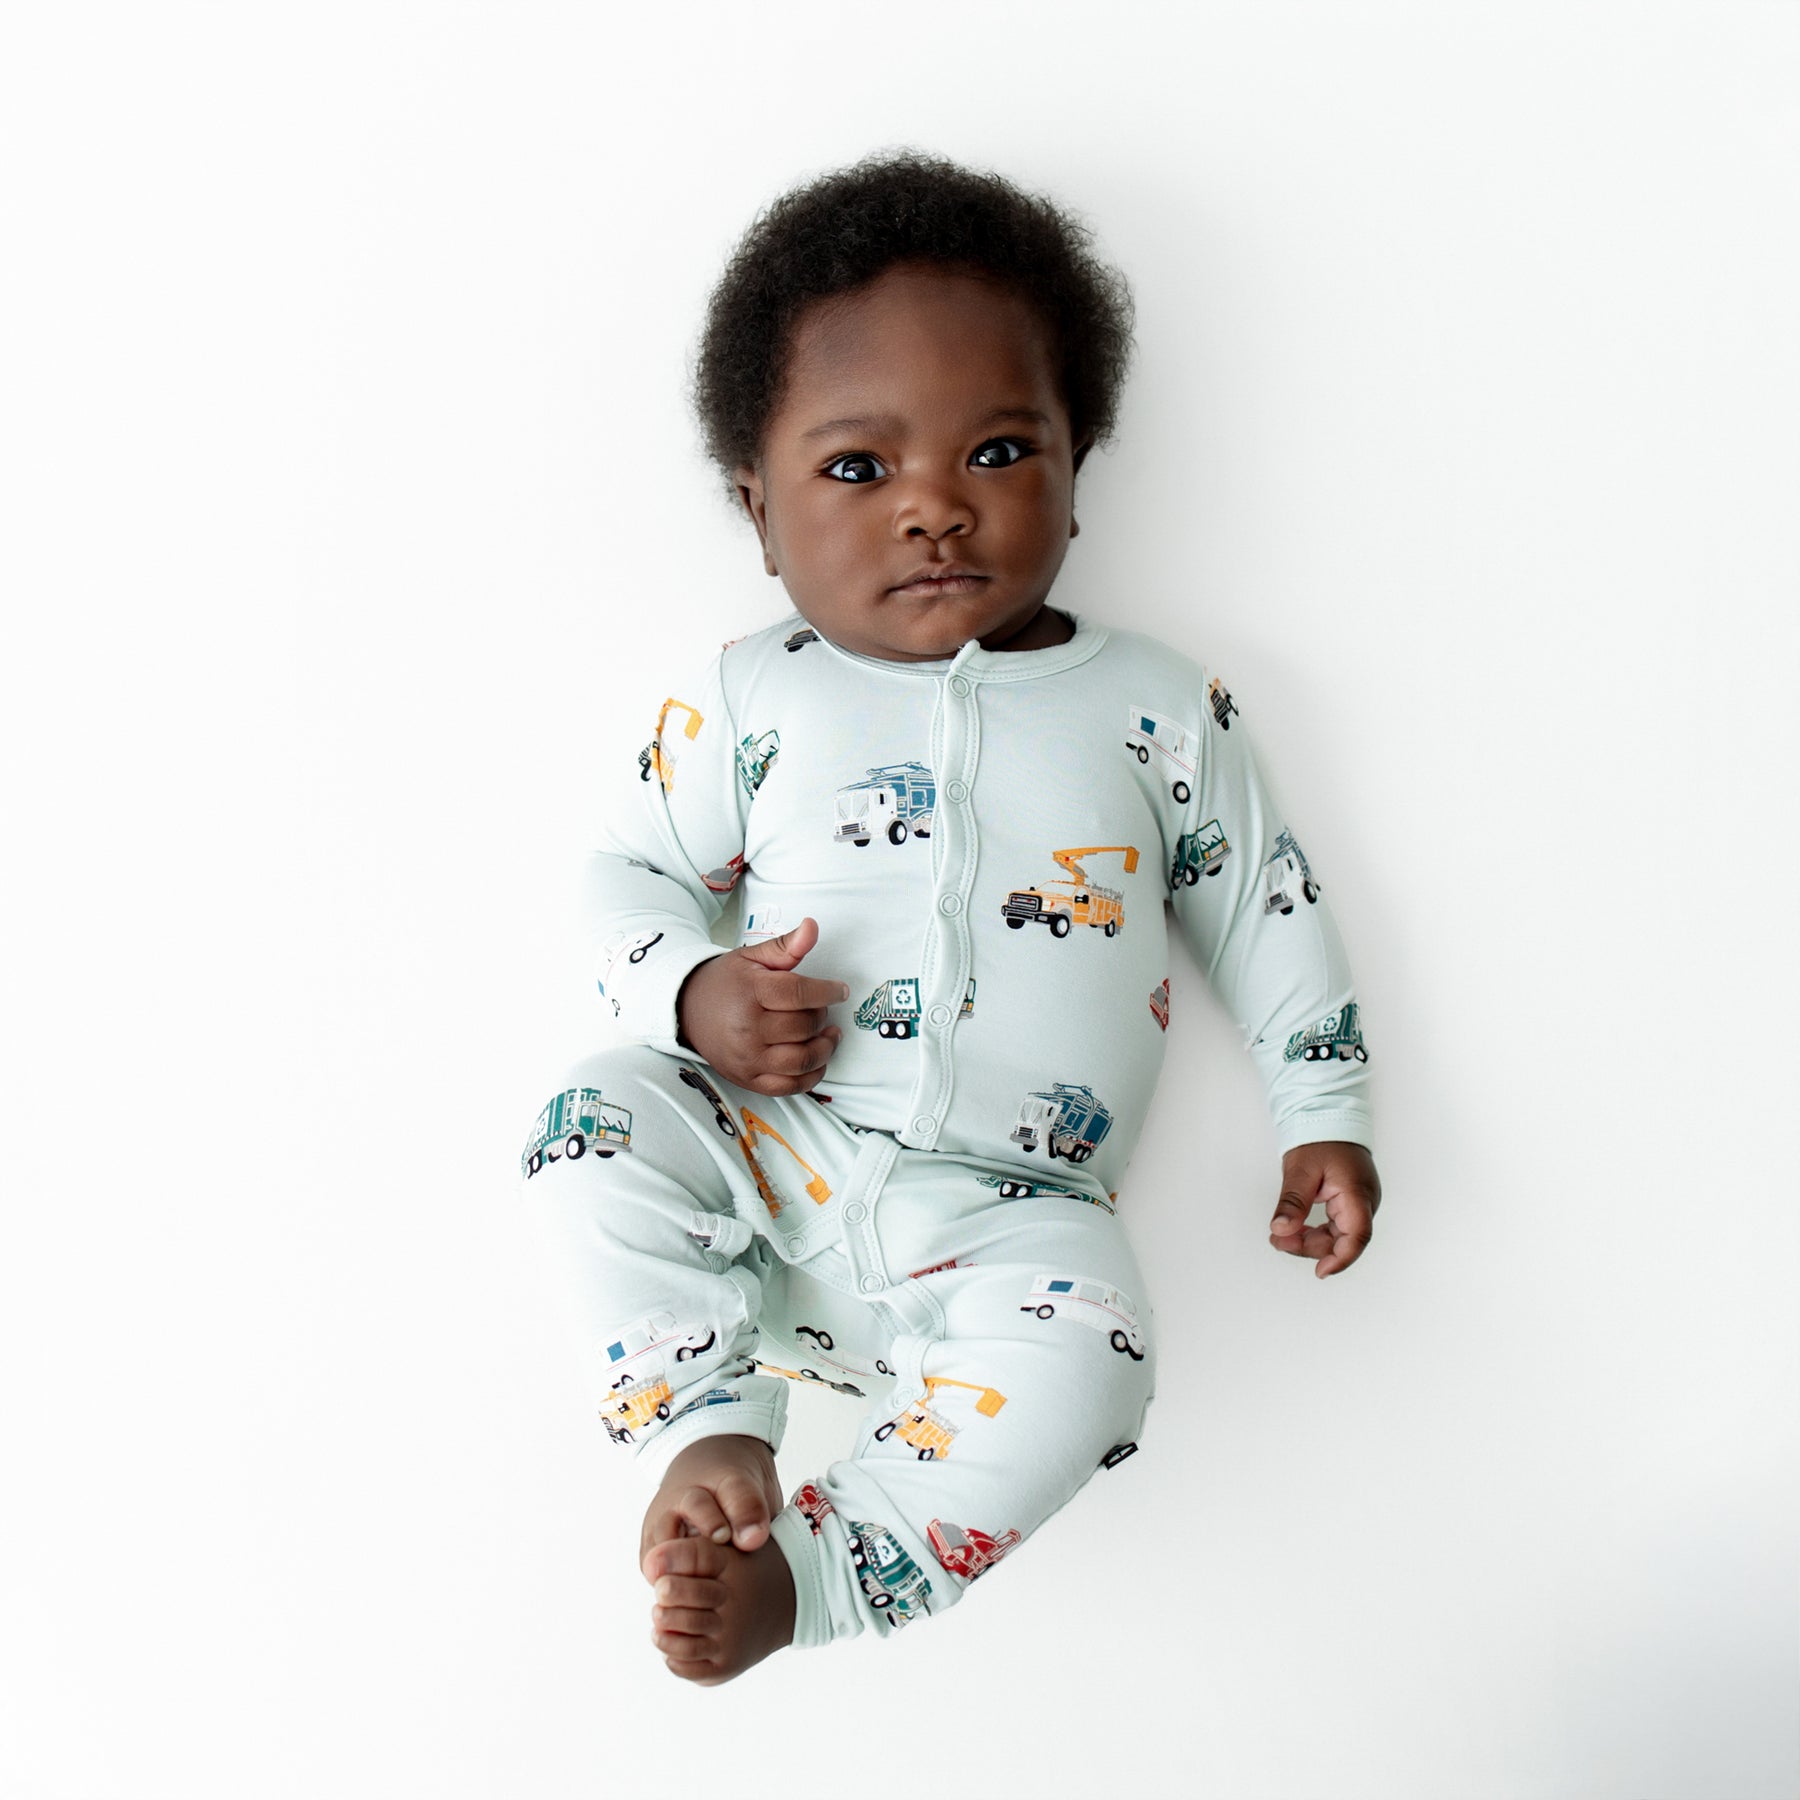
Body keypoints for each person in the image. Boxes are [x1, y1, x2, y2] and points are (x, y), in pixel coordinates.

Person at [520, 148, 1381, 1684]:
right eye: (858, 470)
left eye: (998, 451)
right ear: (758, 509)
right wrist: (694, 996)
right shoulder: (750, 694)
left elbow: (1261, 893)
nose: (933, 510)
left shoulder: (1153, 706)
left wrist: (1324, 1109)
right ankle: (707, 1422)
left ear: (1076, 464)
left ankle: (819, 1574)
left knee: (1102, 1360)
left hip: (1014, 1222)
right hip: (770, 1153)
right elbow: (620, 875)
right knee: (592, 1121)